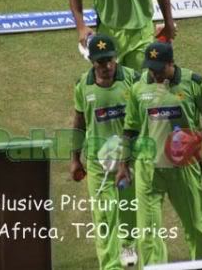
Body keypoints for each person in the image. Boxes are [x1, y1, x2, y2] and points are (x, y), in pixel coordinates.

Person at [116, 42, 202, 266]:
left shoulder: (193, 83)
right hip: (148, 171)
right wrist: (123, 164)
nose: (153, 73)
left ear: (171, 63)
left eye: (158, 68)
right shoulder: (138, 87)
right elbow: (131, 128)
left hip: (183, 169)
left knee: (196, 229)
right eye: (150, 68)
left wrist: (198, 137)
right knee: (148, 235)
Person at [71, 34, 140, 269]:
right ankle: (109, 265)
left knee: (128, 209)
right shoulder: (83, 85)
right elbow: (79, 122)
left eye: (110, 60)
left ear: (116, 58)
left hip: (129, 161)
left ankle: (128, 245)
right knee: (103, 217)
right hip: (98, 164)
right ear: (92, 61)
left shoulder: (133, 79)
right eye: (101, 62)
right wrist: (74, 159)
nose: (107, 66)